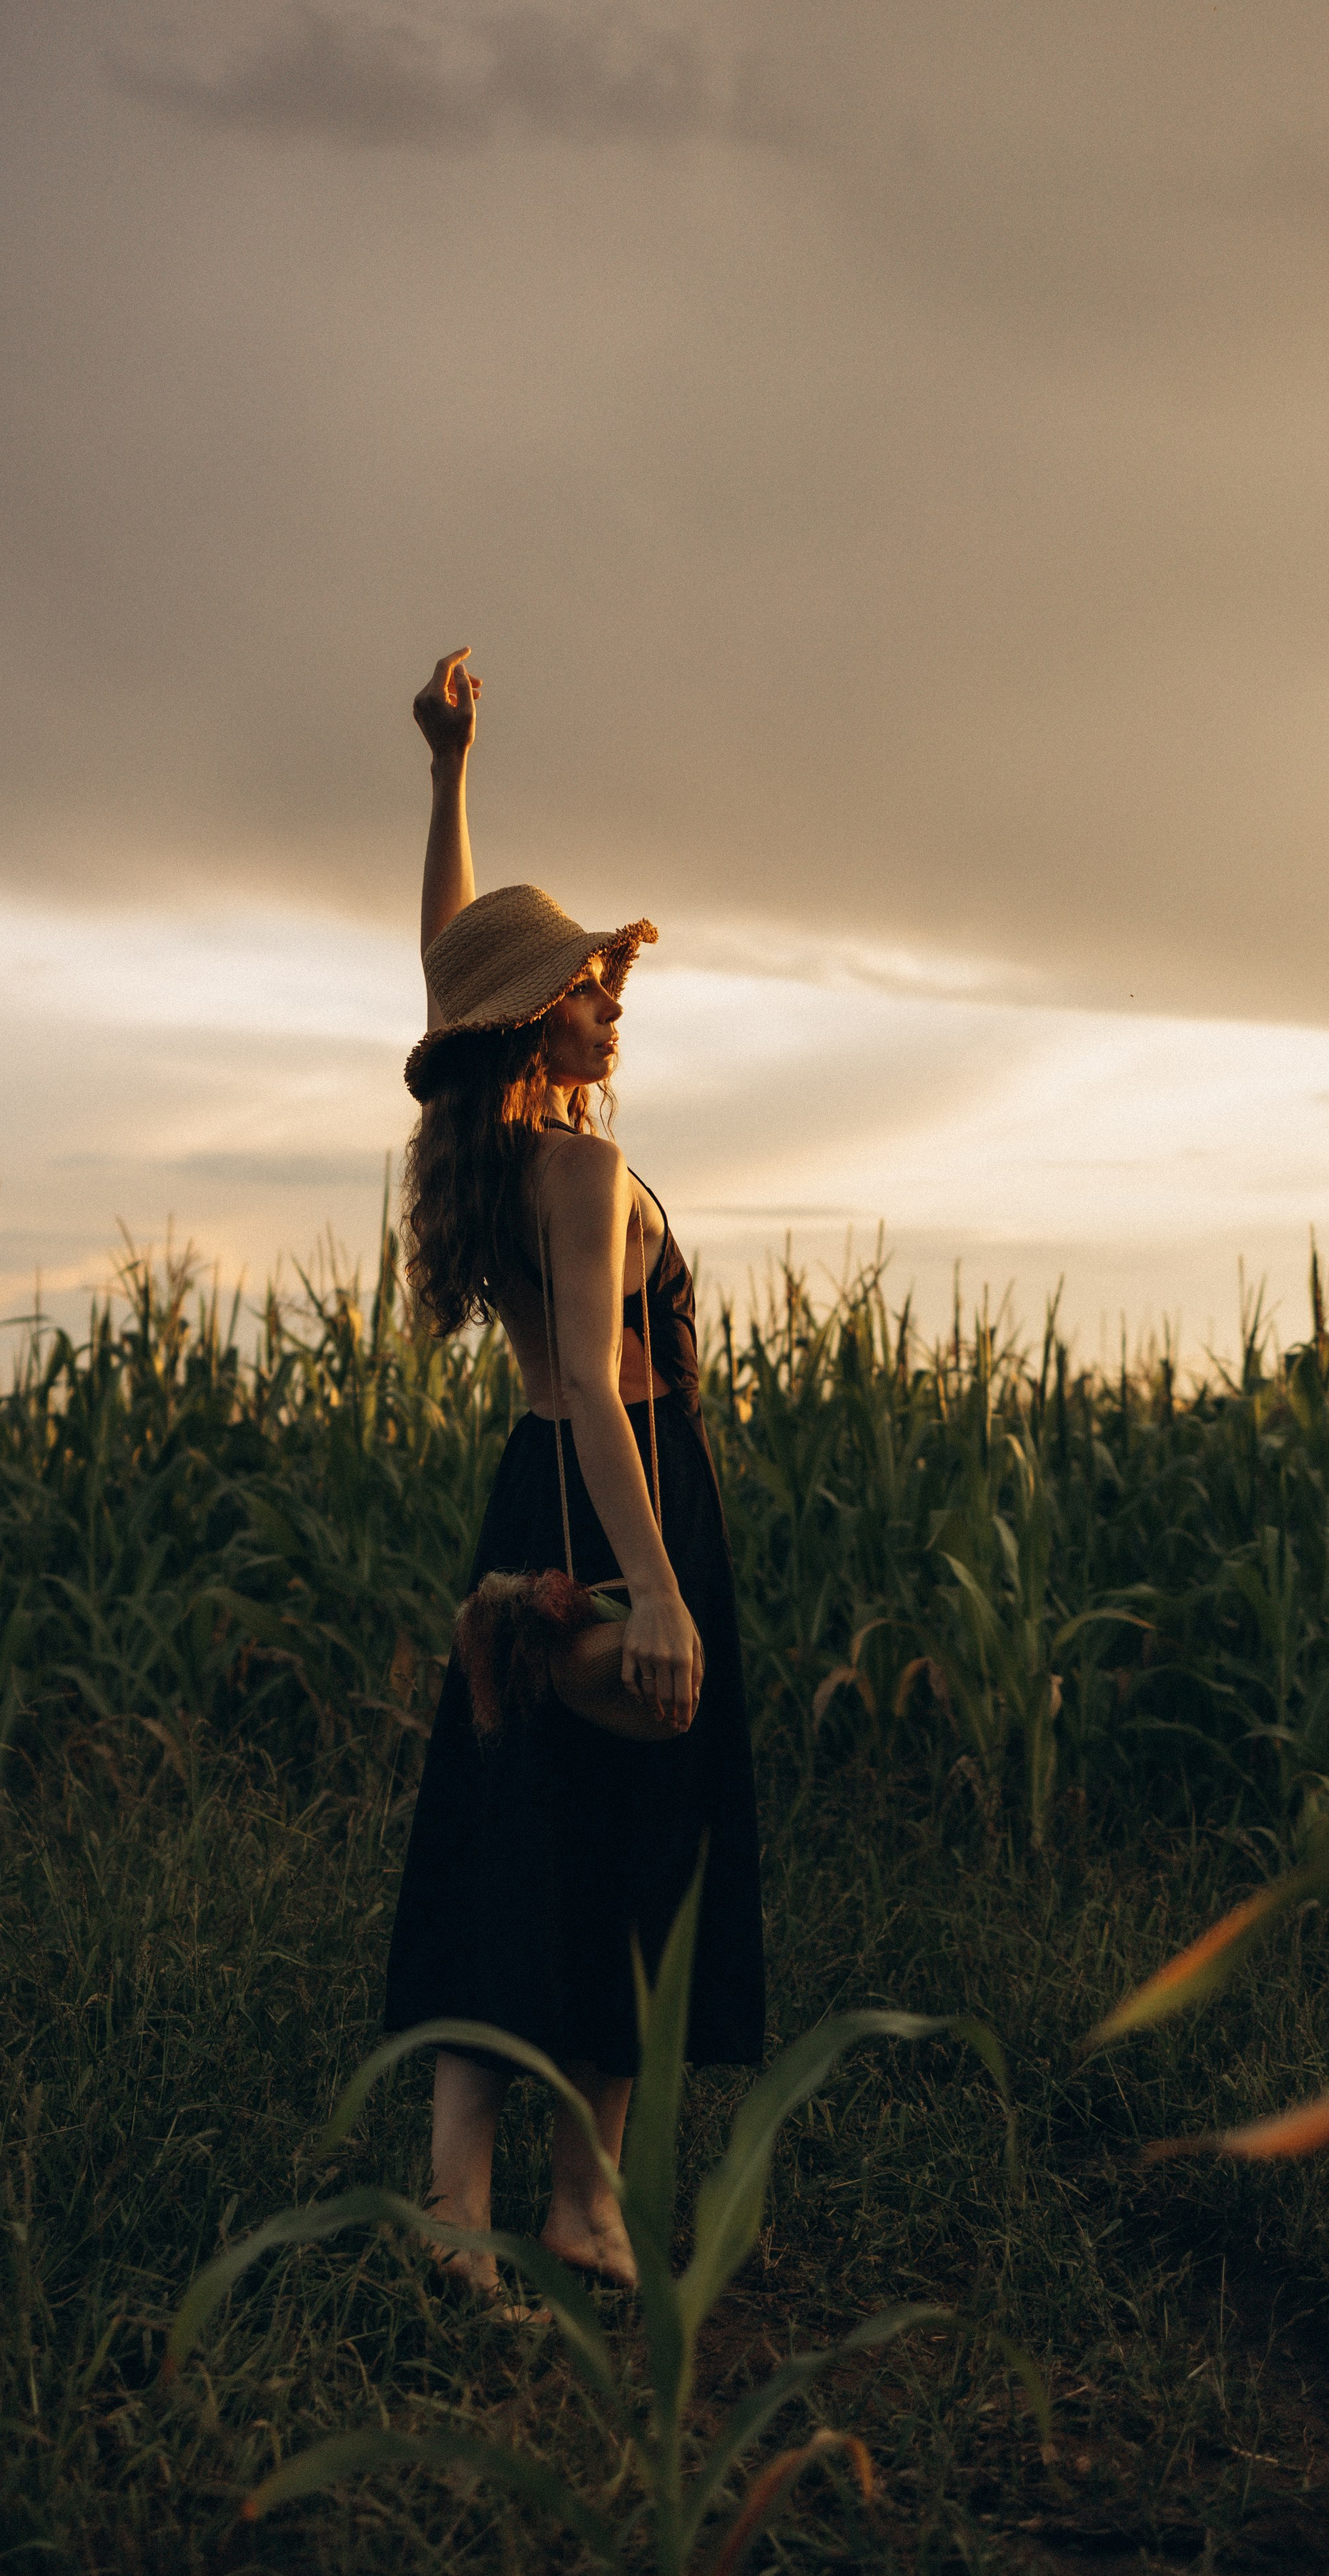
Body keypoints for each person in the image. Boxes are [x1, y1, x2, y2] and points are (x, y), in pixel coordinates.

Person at [384, 648, 766, 2299]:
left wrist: (447, 773)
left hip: (516, 1509)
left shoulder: (493, 1151)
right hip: (619, 1498)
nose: (615, 1000)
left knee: (505, 1839)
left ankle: (461, 2208)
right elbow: (615, 1401)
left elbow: (442, 964)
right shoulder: (584, 1159)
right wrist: (665, 1584)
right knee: (632, 1839)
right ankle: (579, 2200)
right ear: (543, 1017)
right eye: (595, 987)